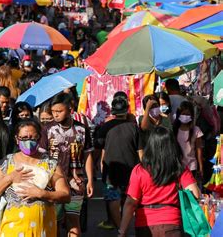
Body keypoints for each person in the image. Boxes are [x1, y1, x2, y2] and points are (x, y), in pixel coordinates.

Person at [0, 119, 70, 237]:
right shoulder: (8, 162)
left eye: (33, 138)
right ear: (17, 139)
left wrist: (42, 194)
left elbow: (66, 195)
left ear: (39, 138)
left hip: (42, 229)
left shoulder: (51, 164)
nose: (28, 141)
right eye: (24, 138)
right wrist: (10, 178)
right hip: (12, 230)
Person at [118, 127, 200, 237]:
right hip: (172, 224)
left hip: (145, 226)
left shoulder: (139, 170)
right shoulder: (180, 168)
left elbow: (130, 203)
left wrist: (122, 231)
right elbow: (195, 194)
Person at [41, 92, 94, 237]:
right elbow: (40, 157)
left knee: (73, 220)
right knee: (55, 222)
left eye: (59, 111)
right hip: (53, 183)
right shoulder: (47, 129)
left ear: (70, 109)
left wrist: (90, 180)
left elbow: (88, 155)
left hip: (77, 182)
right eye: (53, 111)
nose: (56, 114)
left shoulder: (82, 129)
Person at [95, 96, 140, 230]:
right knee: (129, 197)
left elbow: (97, 148)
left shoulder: (105, 127)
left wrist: (95, 164)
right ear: (127, 110)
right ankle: (127, 225)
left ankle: (121, 228)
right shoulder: (134, 128)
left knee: (113, 198)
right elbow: (140, 151)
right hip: (130, 169)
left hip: (111, 168)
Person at [173, 101, 204, 178]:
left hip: (191, 166)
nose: (185, 116)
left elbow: (199, 149)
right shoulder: (174, 129)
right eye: (183, 114)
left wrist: (200, 167)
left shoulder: (196, 130)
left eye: (187, 114)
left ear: (192, 116)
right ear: (179, 115)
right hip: (177, 167)